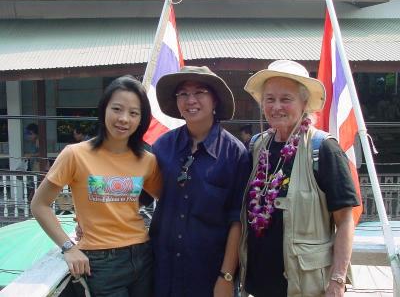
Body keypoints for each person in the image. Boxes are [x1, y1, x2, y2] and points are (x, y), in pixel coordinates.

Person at [31, 75, 163, 297]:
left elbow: (167, 199)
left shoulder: (147, 160)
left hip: (143, 255)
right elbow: (39, 205)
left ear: (141, 119)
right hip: (100, 262)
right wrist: (68, 248)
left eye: (133, 113)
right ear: (104, 110)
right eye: (117, 109)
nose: (124, 119)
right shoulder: (75, 155)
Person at [239, 60, 360, 297]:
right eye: (270, 99)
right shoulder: (256, 146)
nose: (276, 106)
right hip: (259, 285)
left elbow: (345, 220)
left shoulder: (323, 149)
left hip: (307, 286)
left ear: (304, 103)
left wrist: (337, 281)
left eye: (286, 99)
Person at [150, 66, 251, 297]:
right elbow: (136, 197)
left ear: (215, 100)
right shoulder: (162, 147)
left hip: (209, 273)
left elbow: (237, 220)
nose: (190, 100)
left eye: (200, 92)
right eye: (183, 94)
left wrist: (226, 276)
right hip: (162, 270)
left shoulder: (235, 154)